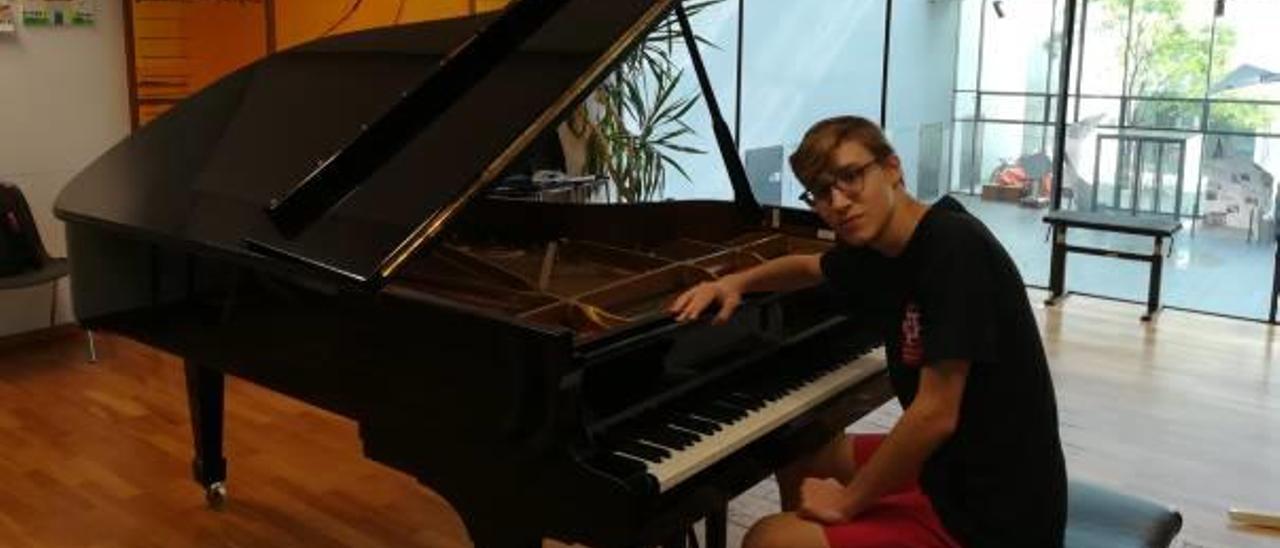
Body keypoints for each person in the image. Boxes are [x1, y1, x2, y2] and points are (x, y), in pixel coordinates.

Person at [668, 116, 1066, 547]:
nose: (838, 202)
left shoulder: (954, 248)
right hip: (952, 467)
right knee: (804, 453)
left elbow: (934, 414)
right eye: (822, 191)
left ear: (892, 168)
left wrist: (846, 502)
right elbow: (807, 268)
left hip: (994, 512)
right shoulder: (887, 249)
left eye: (851, 176)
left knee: (769, 538)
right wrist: (734, 283)